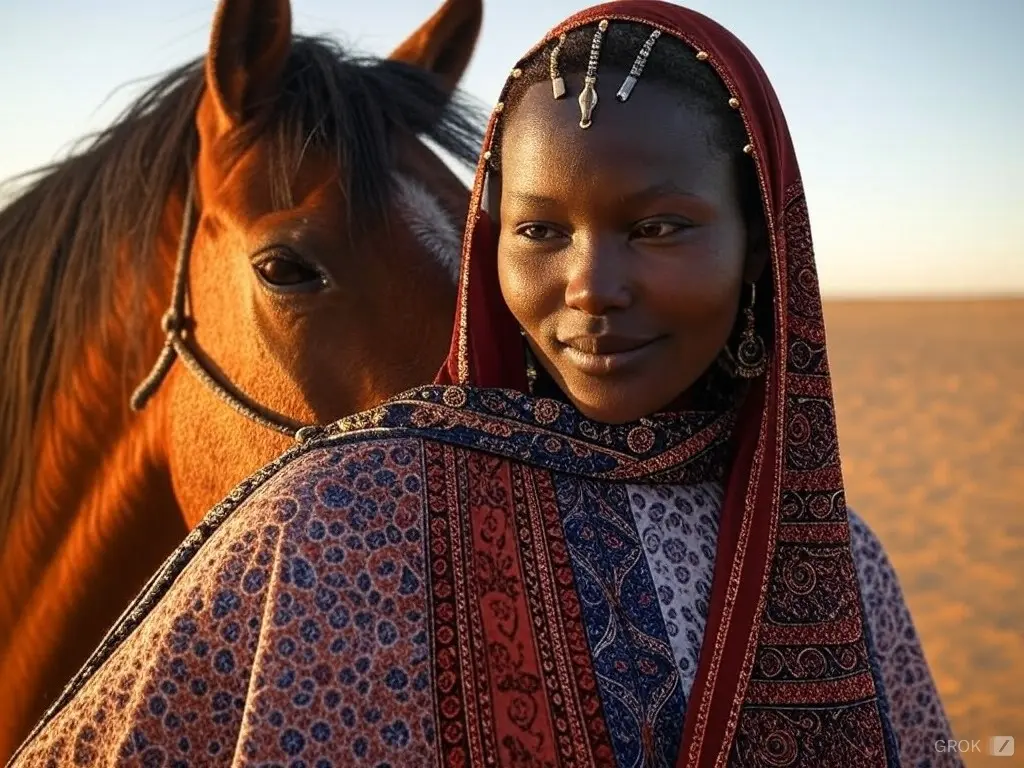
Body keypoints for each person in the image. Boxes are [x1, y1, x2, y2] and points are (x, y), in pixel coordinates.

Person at [8, 2, 958, 766]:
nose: (589, 289)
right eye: (538, 231)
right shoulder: (316, 531)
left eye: (663, 227)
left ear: (763, 244)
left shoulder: (844, 562)